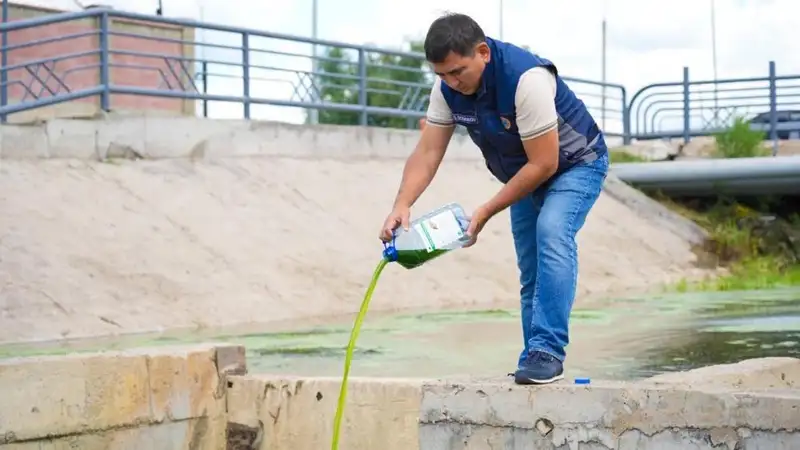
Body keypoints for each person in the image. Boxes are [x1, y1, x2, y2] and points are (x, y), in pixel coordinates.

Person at [378, 12, 609, 385]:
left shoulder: (526, 79)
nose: (452, 82)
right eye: (442, 75)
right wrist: (401, 205)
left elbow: (545, 162)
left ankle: (547, 351)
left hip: (576, 164)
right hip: (525, 174)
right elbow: (427, 153)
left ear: (483, 52)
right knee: (530, 267)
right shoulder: (446, 90)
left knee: (551, 232)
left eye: (458, 72)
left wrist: (486, 210)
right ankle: (533, 357)